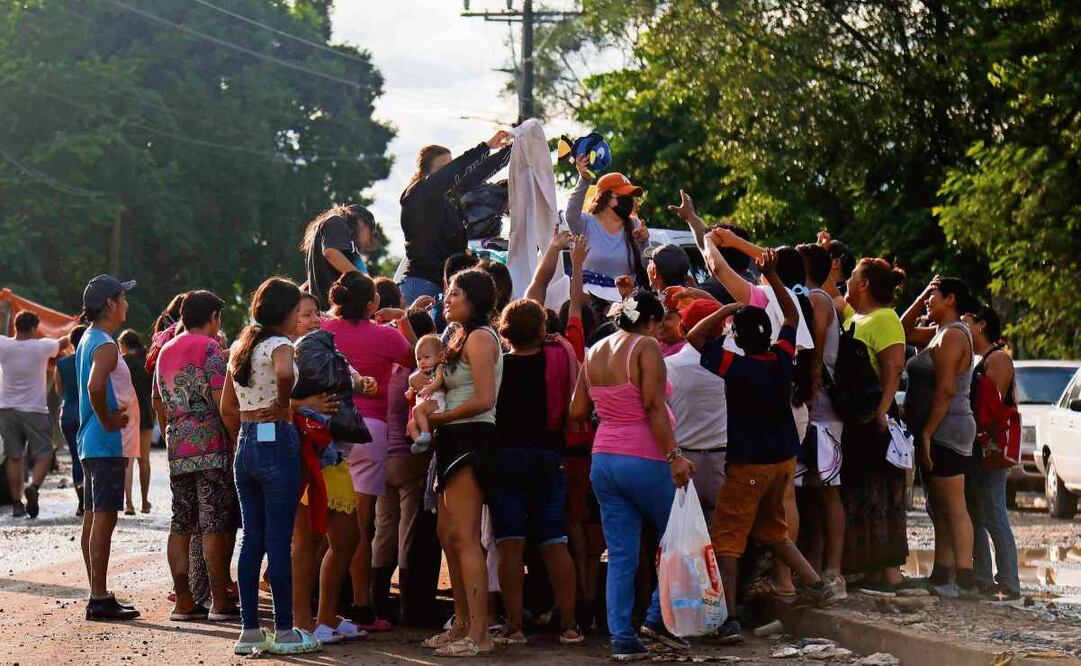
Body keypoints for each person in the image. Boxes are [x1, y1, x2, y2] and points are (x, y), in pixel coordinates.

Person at [687, 251, 842, 645]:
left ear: (736, 337)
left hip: (748, 465)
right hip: (783, 459)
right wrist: (771, 278)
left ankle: (728, 618)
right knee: (773, 529)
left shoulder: (735, 367)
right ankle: (814, 582)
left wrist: (728, 307)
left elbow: (694, 337)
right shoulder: (781, 358)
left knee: (727, 540)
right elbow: (791, 317)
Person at [569, 288, 694, 662]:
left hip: (605, 459)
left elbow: (577, 409)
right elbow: (655, 406)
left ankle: (622, 638)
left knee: (622, 554)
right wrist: (674, 456)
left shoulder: (594, 351)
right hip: (646, 457)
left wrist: (611, 413)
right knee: (678, 540)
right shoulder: (645, 348)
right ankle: (656, 619)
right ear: (651, 321)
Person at [220, 277, 320, 655]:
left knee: (253, 539)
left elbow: (227, 408)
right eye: (298, 311)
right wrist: (282, 404)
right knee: (280, 539)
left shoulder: (239, 347)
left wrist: (249, 429)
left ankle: (249, 631)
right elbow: (282, 374)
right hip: (274, 436)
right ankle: (285, 631)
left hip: (246, 440)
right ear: (288, 313)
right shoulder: (280, 345)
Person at [321, 271, 415, 632]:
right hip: (370, 431)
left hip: (328, 426)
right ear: (373, 303)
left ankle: (323, 604)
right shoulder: (386, 337)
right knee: (361, 525)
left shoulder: (324, 331)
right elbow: (416, 358)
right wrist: (402, 321)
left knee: (324, 519)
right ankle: (362, 603)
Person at [419, 269, 502, 658]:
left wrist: (438, 418)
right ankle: (462, 623)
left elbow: (485, 399)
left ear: (474, 299)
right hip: (451, 437)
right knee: (447, 533)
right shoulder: (456, 336)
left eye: (454, 293)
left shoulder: (483, 338)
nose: (447, 298)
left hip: (471, 437)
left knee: (465, 536)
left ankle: (480, 632)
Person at [490, 298, 582, 646]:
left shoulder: (498, 365)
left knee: (510, 545)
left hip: (506, 457)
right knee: (555, 543)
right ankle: (570, 625)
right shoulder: (556, 358)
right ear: (542, 330)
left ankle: (514, 627)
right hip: (548, 454)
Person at [288, 291, 373, 643]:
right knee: (309, 542)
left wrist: (360, 384)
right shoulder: (286, 354)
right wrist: (305, 401)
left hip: (332, 452)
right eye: (304, 315)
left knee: (344, 538)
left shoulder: (318, 350)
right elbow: (267, 401)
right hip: (308, 452)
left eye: (315, 313)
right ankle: (304, 620)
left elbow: (347, 383)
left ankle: (322, 615)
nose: (313, 319)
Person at [152, 290, 240, 623]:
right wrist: (234, 439)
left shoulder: (165, 351)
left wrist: (173, 435)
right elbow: (222, 401)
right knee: (214, 521)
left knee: (181, 524)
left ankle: (184, 601)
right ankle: (219, 601)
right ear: (213, 317)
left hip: (178, 447)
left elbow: (158, 403)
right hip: (211, 447)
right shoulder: (210, 348)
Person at [902, 276, 979, 598]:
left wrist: (928, 434)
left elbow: (947, 389)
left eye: (934, 296)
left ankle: (964, 580)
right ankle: (941, 574)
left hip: (947, 428)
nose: (928, 302)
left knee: (954, 505)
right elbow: (902, 329)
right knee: (939, 506)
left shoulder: (952, 337)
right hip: (938, 428)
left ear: (950, 300)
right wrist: (921, 296)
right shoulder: (938, 333)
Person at [838, 259, 909, 593]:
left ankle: (890, 574)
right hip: (857, 418)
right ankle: (869, 568)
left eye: (851, 276)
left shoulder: (885, 319)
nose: (847, 282)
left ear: (864, 284)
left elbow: (894, 368)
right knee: (862, 492)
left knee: (884, 493)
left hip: (877, 417)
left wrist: (882, 412)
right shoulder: (855, 317)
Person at [75, 274, 140, 621]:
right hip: (105, 442)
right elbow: (94, 386)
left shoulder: (90, 338)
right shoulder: (105, 344)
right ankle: (98, 597)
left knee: (93, 516)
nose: (126, 303)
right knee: (104, 518)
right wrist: (108, 419)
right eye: (123, 298)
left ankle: (97, 593)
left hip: (91, 442)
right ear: (111, 305)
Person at [374, 311, 439, 626]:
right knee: (408, 532)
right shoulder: (419, 374)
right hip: (409, 459)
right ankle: (410, 607)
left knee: (384, 530)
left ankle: (376, 600)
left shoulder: (388, 369)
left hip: (382, 458)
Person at [398, 132, 512, 308]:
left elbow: (477, 172)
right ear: (426, 173)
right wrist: (485, 147)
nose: (450, 172)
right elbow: (456, 170)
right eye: (444, 167)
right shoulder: (417, 195)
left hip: (444, 286)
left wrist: (512, 151)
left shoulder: (448, 195)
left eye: (450, 166)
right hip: (420, 284)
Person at [794, 243, 847, 592]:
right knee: (810, 493)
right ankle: (812, 567)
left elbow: (813, 354)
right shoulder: (816, 298)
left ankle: (833, 568)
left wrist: (809, 399)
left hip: (821, 412)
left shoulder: (817, 300)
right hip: (816, 410)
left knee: (827, 490)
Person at [962, 304, 1020, 600]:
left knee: (994, 514)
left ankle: (1009, 581)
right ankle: (984, 577)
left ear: (982, 325)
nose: (964, 327)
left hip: (990, 449)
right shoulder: (985, 358)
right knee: (978, 513)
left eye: (967, 321)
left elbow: (992, 412)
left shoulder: (996, 359)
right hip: (981, 448)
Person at [664, 299, 728, 521]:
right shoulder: (732, 363)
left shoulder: (669, 366)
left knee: (684, 539)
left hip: (683, 461)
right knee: (723, 539)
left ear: (683, 328)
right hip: (722, 460)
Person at [0, 311, 67, 518]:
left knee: (13, 456)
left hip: (7, 410)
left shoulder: (3, 344)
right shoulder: (42, 346)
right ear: (34, 329)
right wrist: (76, 322)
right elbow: (64, 343)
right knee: (44, 453)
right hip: (35, 410)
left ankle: (16, 503)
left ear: (15, 327)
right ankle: (34, 487)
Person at [566, 158, 650, 300]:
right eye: (624, 196)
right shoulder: (586, 223)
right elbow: (570, 213)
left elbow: (648, 267)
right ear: (605, 197)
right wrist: (584, 180)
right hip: (590, 304)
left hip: (626, 306)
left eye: (631, 197)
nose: (630, 201)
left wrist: (645, 243)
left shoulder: (635, 225)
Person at [300, 204, 377, 308]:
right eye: (370, 231)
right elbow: (331, 253)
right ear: (361, 222)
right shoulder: (336, 222)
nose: (368, 240)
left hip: (328, 308)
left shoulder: (333, 230)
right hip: (331, 309)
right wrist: (365, 282)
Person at [118, 329, 154, 515]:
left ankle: (129, 503)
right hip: (145, 413)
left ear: (123, 344)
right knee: (144, 459)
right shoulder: (146, 363)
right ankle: (145, 501)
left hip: (126, 413)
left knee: (128, 460)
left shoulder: (120, 362)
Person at [54, 325, 87, 515]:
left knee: (75, 457)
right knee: (89, 457)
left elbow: (60, 391)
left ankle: (80, 501)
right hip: (86, 412)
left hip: (67, 412)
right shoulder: (91, 361)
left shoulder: (61, 364)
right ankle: (91, 500)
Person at [405, 334, 446, 453]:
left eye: (426, 357)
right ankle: (420, 442)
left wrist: (430, 388)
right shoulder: (419, 372)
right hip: (424, 403)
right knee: (410, 425)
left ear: (440, 356)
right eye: (418, 359)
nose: (422, 362)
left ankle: (425, 434)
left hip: (436, 401)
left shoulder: (439, 368)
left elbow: (439, 380)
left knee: (416, 411)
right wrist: (410, 391)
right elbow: (414, 387)